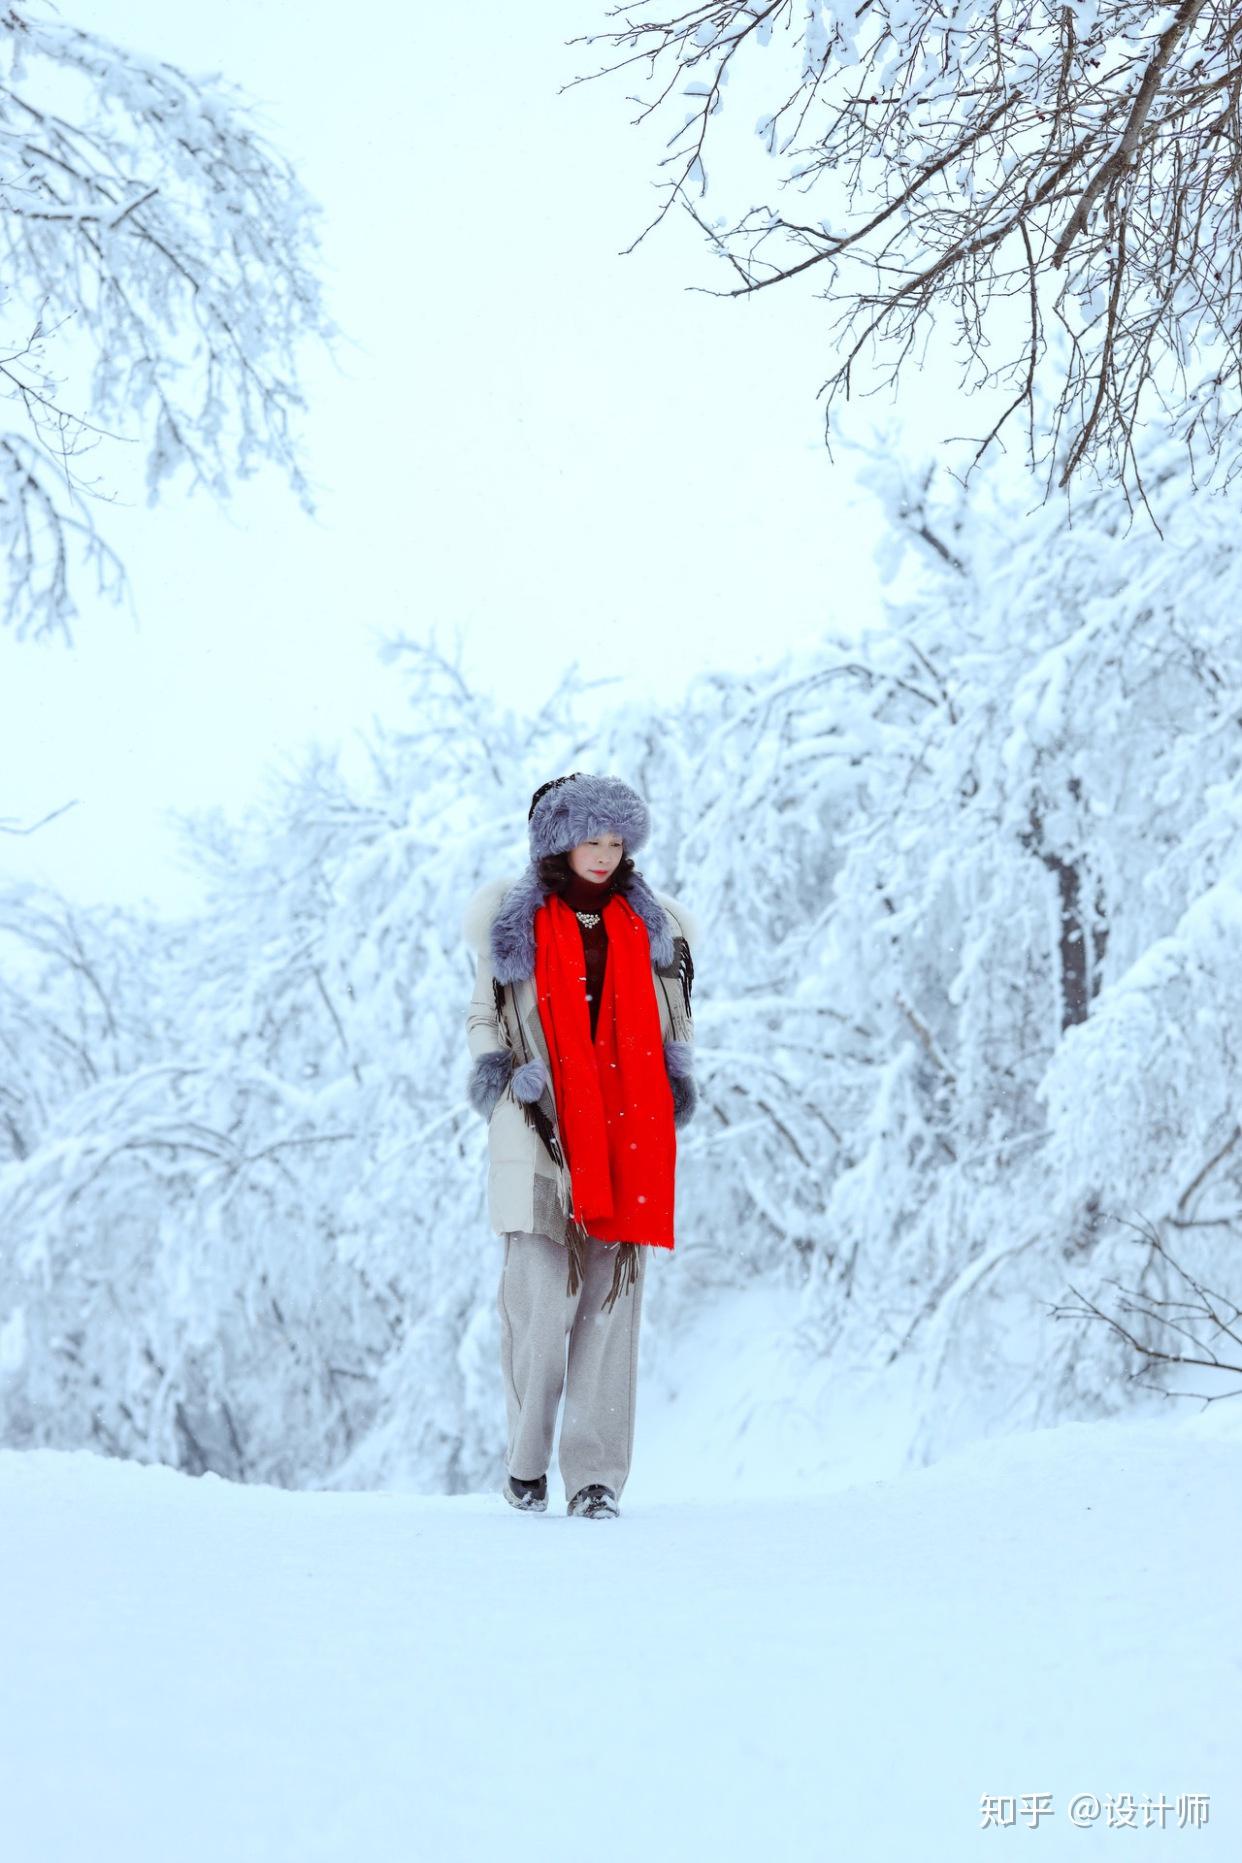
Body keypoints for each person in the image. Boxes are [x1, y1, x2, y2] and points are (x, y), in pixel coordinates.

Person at [461, 772, 699, 1520]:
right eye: (590, 838)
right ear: (557, 841)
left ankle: (595, 1478)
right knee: (536, 1302)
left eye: (615, 839)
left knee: (610, 1307)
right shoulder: (511, 923)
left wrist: (674, 1081)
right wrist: (506, 1078)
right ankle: (525, 1462)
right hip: (538, 1127)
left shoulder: (656, 926)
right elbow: (484, 1018)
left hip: (628, 1128)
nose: (604, 853)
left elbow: (675, 1022)